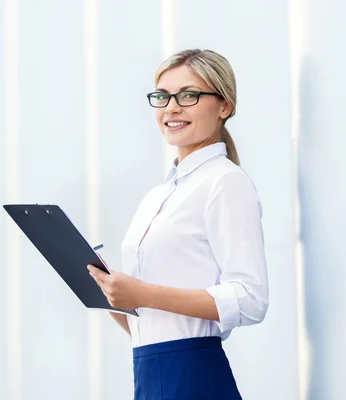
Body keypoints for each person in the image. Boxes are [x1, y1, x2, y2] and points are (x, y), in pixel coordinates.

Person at [87, 49, 268, 400]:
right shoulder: (159, 195)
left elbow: (251, 299)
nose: (171, 107)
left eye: (188, 95)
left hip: (193, 375)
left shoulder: (226, 182)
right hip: (149, 369)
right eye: (162, 96)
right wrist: (109, 295)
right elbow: (153, 325)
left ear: (225, 106)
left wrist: (143, 294)